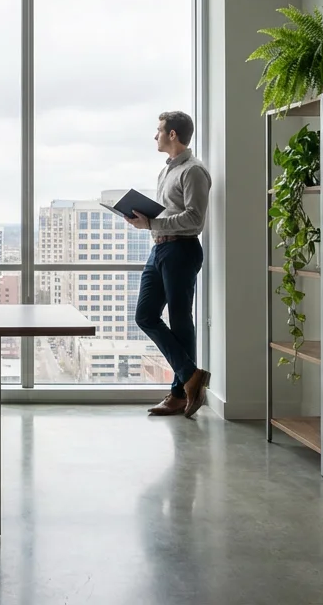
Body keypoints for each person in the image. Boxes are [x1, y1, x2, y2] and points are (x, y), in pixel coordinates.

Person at [128, 111, 212, 418]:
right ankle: (191, 376)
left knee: (180, 320)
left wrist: (151, 223)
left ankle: (179, 394)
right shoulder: (165, 173)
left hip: (182, 250)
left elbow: (195, 219)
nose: (156, 136)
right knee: (145, 315)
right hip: (159, 250)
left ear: (173, 134)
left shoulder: (194, 171)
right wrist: (147, 221)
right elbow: (166, 215)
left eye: (159, 130)